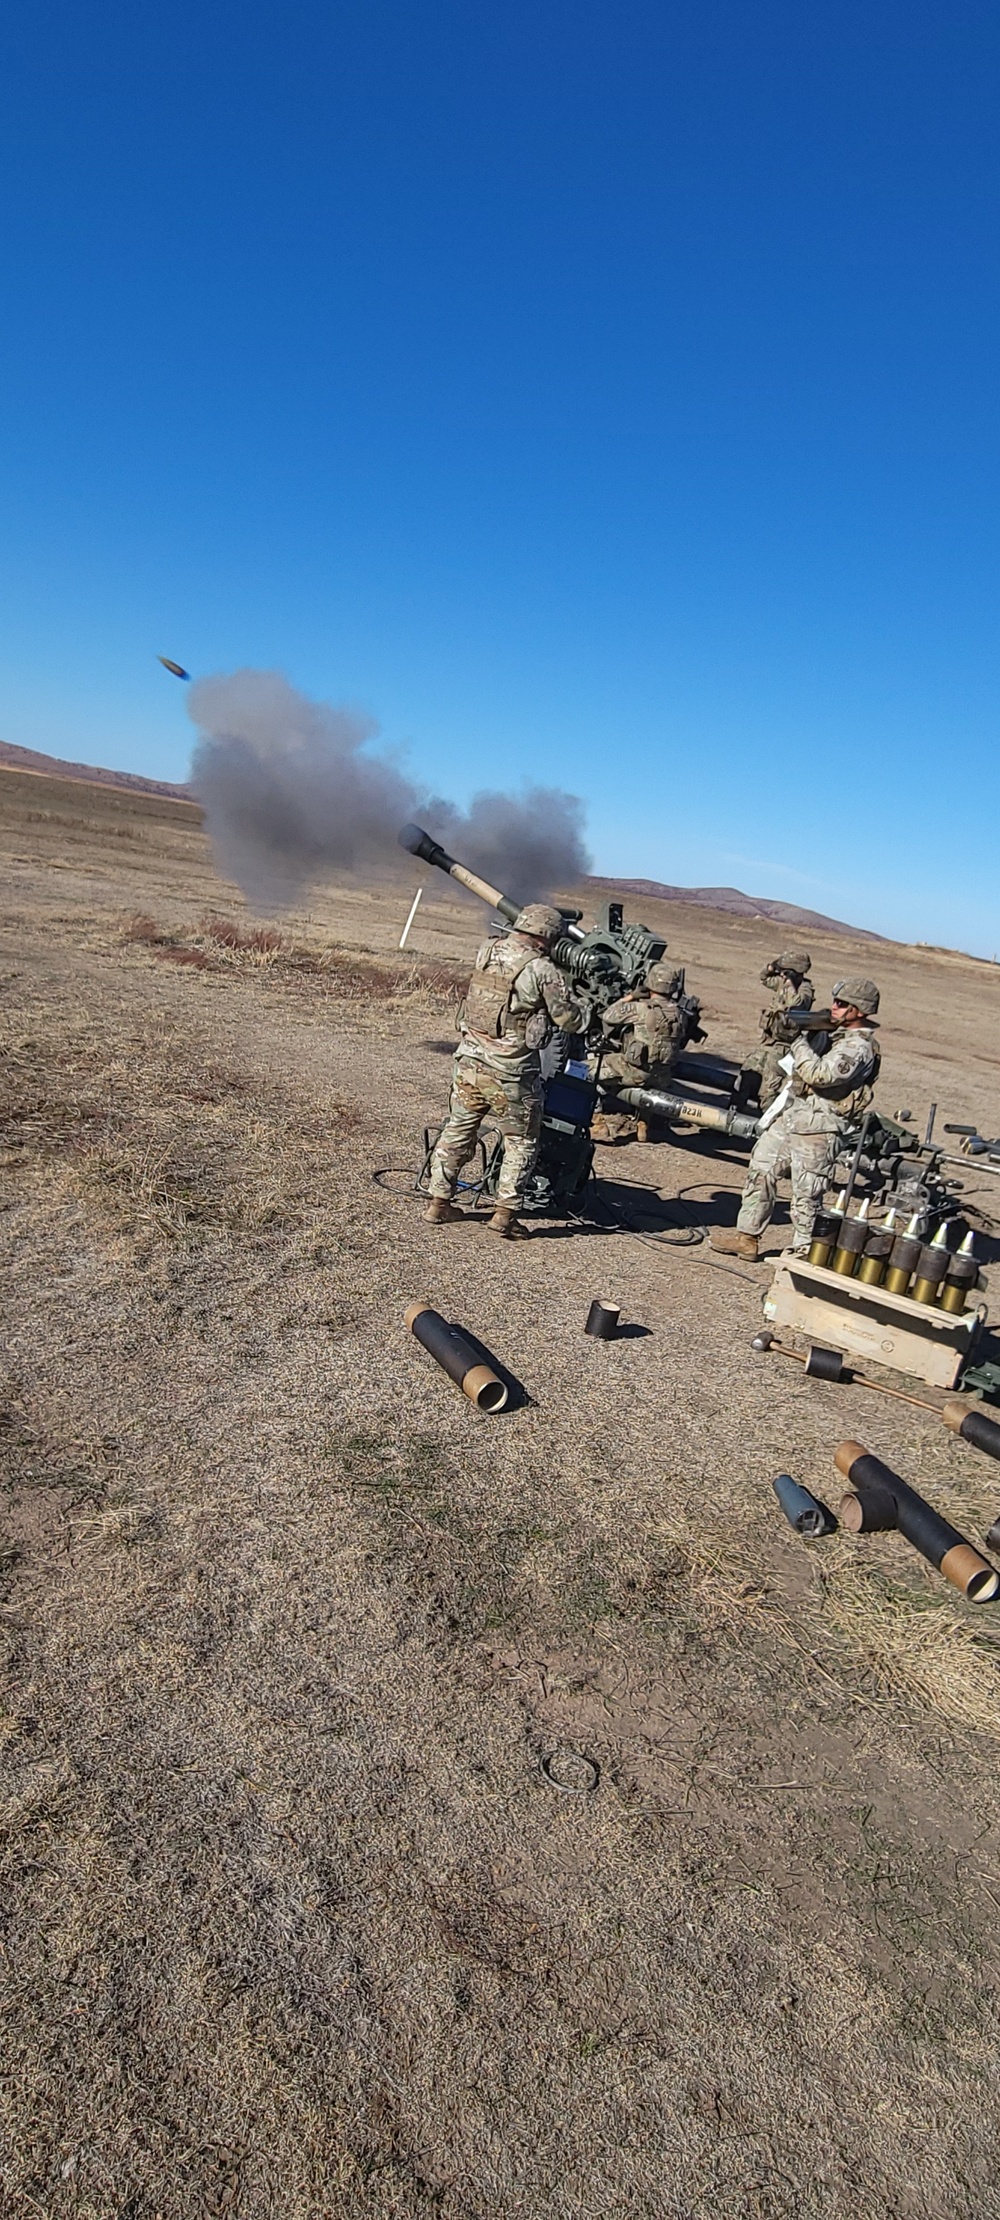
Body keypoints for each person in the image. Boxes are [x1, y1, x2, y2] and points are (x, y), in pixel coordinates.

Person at [425, 904, 585, 1239]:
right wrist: (585, 1010)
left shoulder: (487, 949)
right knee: (522, 1140)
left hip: (469, 1061)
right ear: (548, 936)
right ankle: (504, 1215)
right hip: (511, 1072)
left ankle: (438, 1202)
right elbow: (569, 1020)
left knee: (458, 1129)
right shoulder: (542, 969)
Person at [711, 977, 881, 1261]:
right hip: (795, 1118)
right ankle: (747, 1237)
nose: (834, 1007)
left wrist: (798, 1041)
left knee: (807, 1193)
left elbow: (820, 1075)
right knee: (760, 1169)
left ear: (859, 1010)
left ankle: (803, 1253)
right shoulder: (835, 1035)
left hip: (821, 1129)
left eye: (841, 1004)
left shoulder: (858, 1047)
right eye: (834, 1002)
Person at [590, 961, 686, 1142]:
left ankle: (598, 1123)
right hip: (663, 1076)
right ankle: (643, 1125)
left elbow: (609, 1015)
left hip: (636, 1073)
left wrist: (630, 997)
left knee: (586, 1072)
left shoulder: (642, 1008)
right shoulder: (679, 1014)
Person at [743, 951, 814, 1111]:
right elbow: (764, 979)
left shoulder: (805, 989)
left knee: (768, 1090)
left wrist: (790, 983)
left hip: (782, 1047)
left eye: (785, 971)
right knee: (747, 1077)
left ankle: (765, 1125)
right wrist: (771, 967)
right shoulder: (782, 983)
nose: (781, 974)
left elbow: (795, 1002)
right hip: (767, 1041)